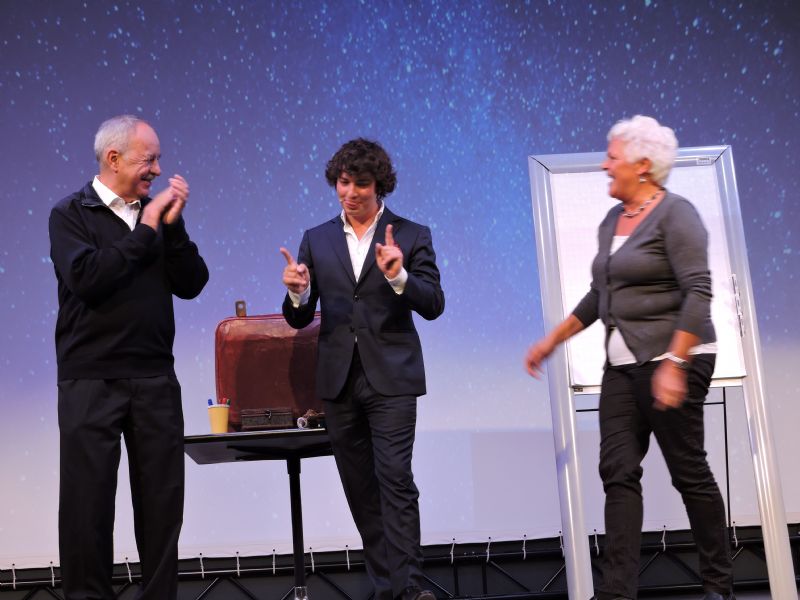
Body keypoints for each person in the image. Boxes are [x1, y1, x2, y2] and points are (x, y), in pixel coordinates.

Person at [524, 115, 734, 600]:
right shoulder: (611, 221)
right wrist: (552, 340)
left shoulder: (677, 214)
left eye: (612, 157)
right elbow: (600, 295)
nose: (604, 165)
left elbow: (699, 291)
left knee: (688, 472)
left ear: (642, 165)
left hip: (677, 360)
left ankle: (718, 587)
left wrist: (675, 364)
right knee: (617, 472)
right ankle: (617, 593)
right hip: (621, 368)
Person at [49, 114, 209, 600]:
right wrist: (147, 228)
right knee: (87, 508)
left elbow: (192, 283)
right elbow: (89, 277)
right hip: (90, 381)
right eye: (149, 159)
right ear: (113, 159)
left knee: (162, 506)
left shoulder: (157, 216)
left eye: (158, 159)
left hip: (154, 378)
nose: (158, 170)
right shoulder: (70, 213)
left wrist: (172, 230)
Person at [280, 138, 444, 600]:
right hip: (338, 381)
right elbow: (298, 317)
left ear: (380, 186)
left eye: (361, 184)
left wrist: (398, 276)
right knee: (360, 488)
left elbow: (433, 303)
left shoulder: (411, 235)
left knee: (395, 479)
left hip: (392, 378)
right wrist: (296, 292)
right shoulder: (317, 238)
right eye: (343, 182)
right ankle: (386, 587)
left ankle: (409, 588)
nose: (350, 192)